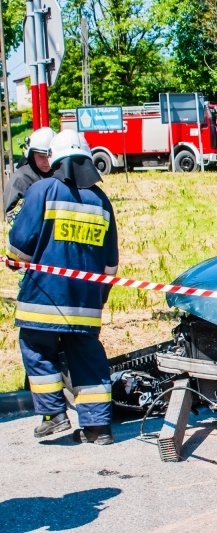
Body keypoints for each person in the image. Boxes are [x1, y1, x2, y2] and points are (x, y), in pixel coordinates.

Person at [6, 129, 119, 445]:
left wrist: (14, 260)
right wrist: (98, 298)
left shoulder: (42, 190)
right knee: (87, 357)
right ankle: (98, 428)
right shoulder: (101, 201)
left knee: (36, 348)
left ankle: (53, 414)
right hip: (86, 301)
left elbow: (19, 245)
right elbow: (111, 263)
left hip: (45, 297)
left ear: (55, 159)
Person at [3, 127, 56, 223]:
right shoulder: (21, 179)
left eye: (49, 157)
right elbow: (11, 216)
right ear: (31, 155)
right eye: (41, 156)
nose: (46, 161)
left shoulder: (60, 175)